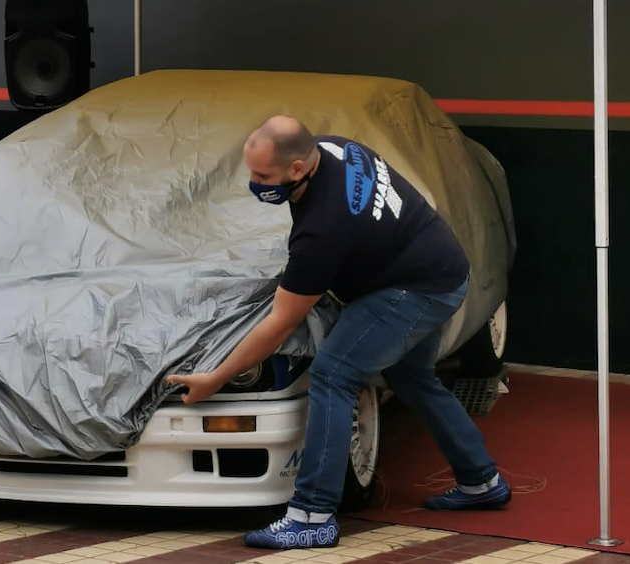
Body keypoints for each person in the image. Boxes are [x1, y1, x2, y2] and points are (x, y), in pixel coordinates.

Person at [167, 115, 509, 550]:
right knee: (413, 377)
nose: (254, 184)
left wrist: (216, 377)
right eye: (251, 172)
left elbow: (279, 323)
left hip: (417, 289)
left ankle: (312, 516)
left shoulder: (323, 230)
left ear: (296, 168)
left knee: (333, 374)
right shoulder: (334, 147)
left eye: (263, 177)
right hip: (438, 265)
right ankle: (481, 482)